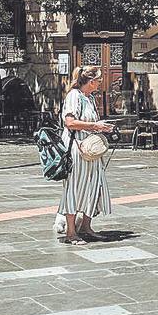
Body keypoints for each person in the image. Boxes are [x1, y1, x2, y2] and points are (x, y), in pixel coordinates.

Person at [58, 66, 114, 245]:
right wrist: (96, 126)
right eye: (98, 80)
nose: (100, 83)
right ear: (90, 82)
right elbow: (70, 122)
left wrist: (101, 127)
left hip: (91, 150)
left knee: (95, 184)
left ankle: (86, 227)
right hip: (77, 149)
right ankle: (71, 232)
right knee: (74, 187)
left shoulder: (88, 98)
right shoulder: (74, 96)